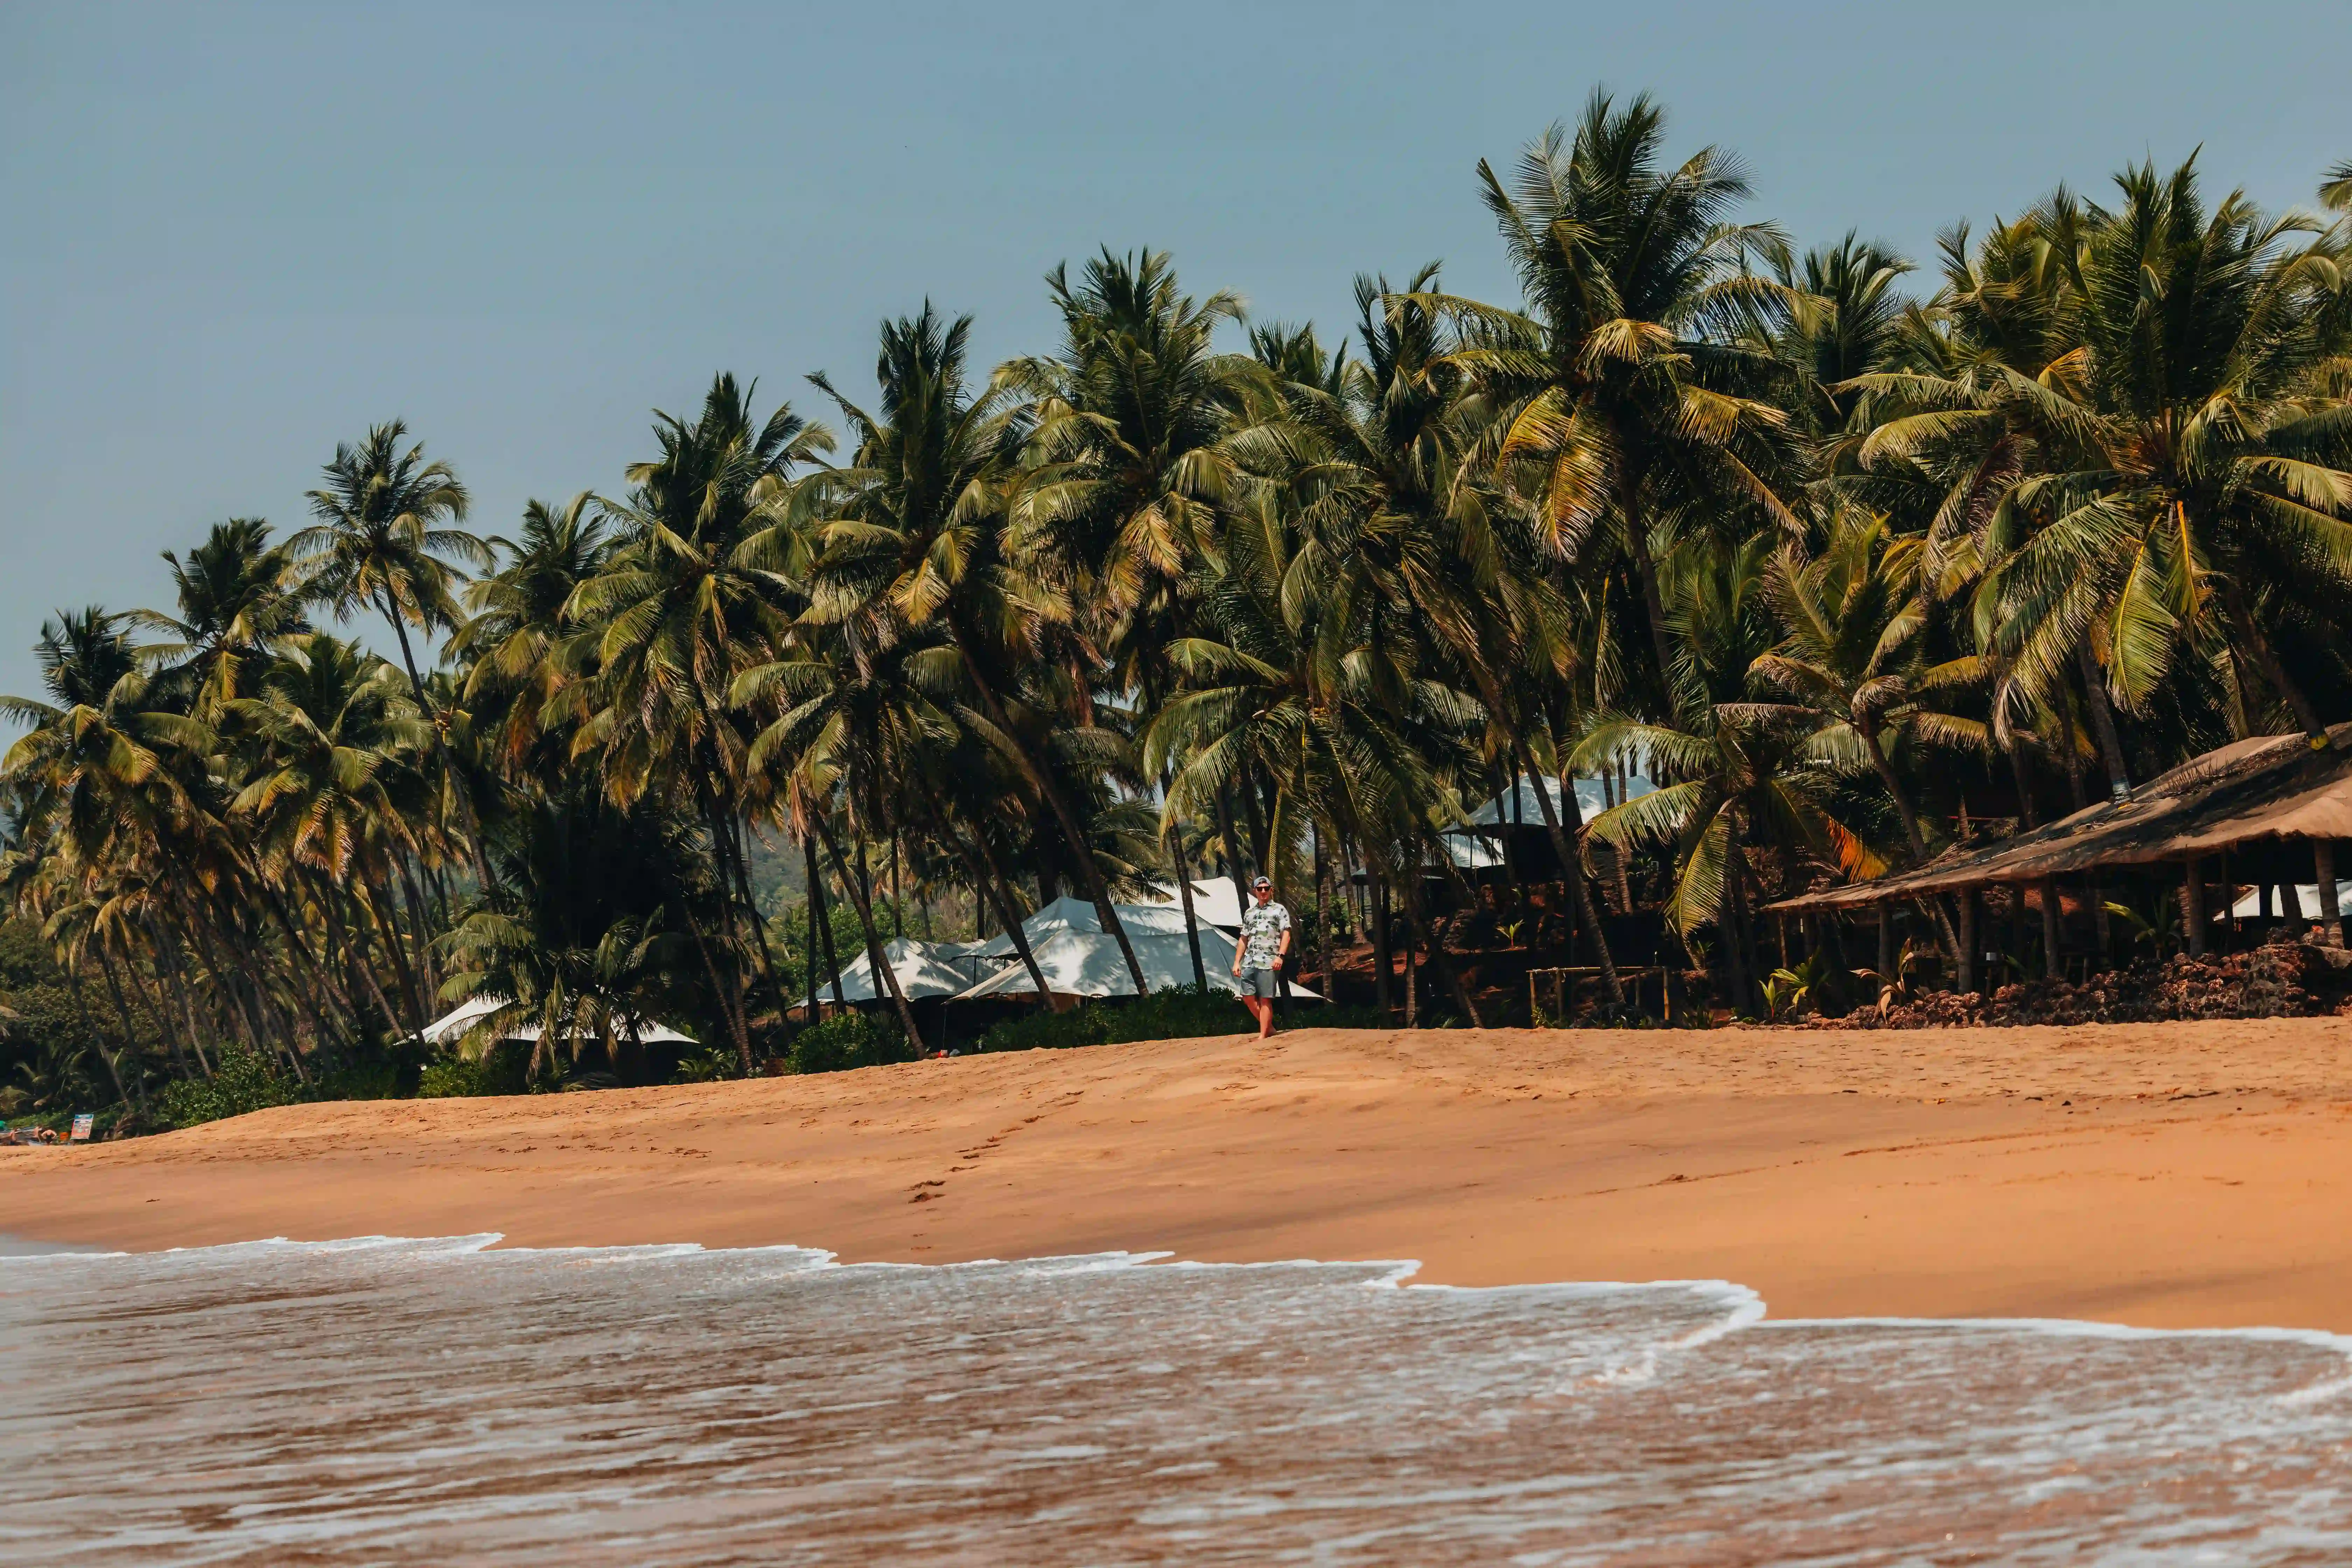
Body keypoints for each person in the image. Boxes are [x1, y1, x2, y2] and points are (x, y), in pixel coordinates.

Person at [1232, 875, 1292, 1039]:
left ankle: (1263, 1036)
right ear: (1255, 891)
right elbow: (1244, 938)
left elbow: (1286, 934)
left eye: (1266, 888)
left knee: (1266, 999)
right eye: (1260, 889)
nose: (1263, 891)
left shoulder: (1279, 910)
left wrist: (1281, 956)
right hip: (1250, 960)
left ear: (1271, 890)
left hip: (1270, 960)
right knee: (1247, 996)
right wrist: (1237, 961)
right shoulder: (1250, 913)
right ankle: (1269, 1028)